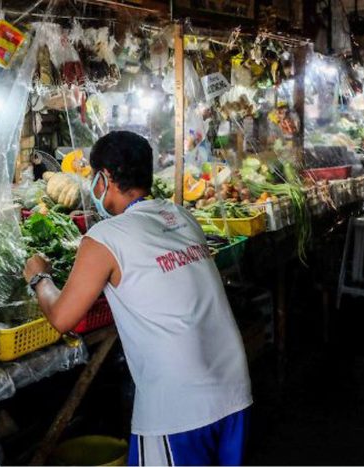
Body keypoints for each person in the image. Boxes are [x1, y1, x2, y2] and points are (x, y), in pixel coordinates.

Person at [23, 131, 252, 466]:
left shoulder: (105, 237)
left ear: (105, 178)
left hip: (180, 406)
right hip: (233, 387)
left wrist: (38, 276)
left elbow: (61, 317)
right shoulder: (182, 216)